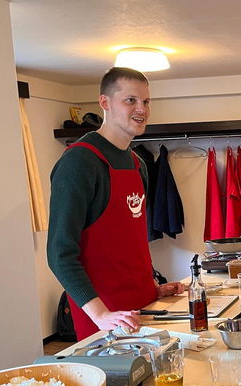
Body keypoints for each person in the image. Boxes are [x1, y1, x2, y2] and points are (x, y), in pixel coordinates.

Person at [48, 67, 184, 340]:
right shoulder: (79, 163)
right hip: (104, 318)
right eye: (130, 100)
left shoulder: (137, 164)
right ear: (105, 103)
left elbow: (129, 242)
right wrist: (99, 314)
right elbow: (59, 253)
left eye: (146, 102)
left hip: (144, 307)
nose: (141, 109)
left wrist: (152, 287)